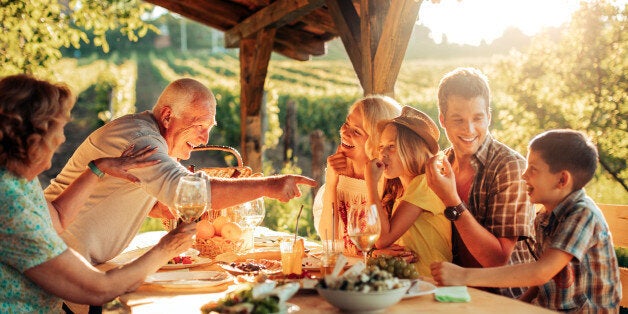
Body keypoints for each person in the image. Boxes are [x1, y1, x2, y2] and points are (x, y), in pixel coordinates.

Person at [44, 77, 316, 266]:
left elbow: (140, 195)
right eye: (199, 125)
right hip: (54, 257)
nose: (205, 139)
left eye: (210, 127)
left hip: (69, 256)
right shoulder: (141, 141)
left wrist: (165, 208)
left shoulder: (148, 135)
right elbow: (190, 192)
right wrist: (270, 186)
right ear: (166, 116)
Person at [0, 74, 197, 313]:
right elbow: (99, 289)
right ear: (33, 137)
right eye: (59, 129)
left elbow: (57, 218)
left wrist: (98, 168)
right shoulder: (10, 204)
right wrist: (167, 248)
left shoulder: (15, 178)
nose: (62, 138)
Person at [431, 129, 622, 312]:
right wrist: (514, 307)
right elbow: (541, 283)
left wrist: (463, 276)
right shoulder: (544, 218)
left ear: (562, 180)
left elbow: (541, 272)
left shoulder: (583, 215)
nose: (523, 175)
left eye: (533, 169)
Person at [425, 67, 536, 298]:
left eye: (478, 118)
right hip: (453, 293)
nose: (469, 130)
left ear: (489, 117)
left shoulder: (509, 167)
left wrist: (451, 201)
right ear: (443, 120)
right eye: (458, 120)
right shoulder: (441, 166)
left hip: (505, 298)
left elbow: (497, 260)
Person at [365, 106, 452, 276]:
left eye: (391, 146)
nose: (382, 153)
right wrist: (377, 253)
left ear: (412, 150)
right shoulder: (402, 191)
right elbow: (377, 239)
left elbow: (383, 238)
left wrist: (371, 184)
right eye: (381, 146)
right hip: (409, 281)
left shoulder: (425, 184)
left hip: (431, 282)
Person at [313, 95, 401, 255]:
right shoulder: (337, 171)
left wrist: (374, 255)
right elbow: (328, 241)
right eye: (346, 123)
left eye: (356, 131)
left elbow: (389, 245)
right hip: (341, 269)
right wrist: (331, 182)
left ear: (376, 141)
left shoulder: (390, 181)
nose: (344, 132)